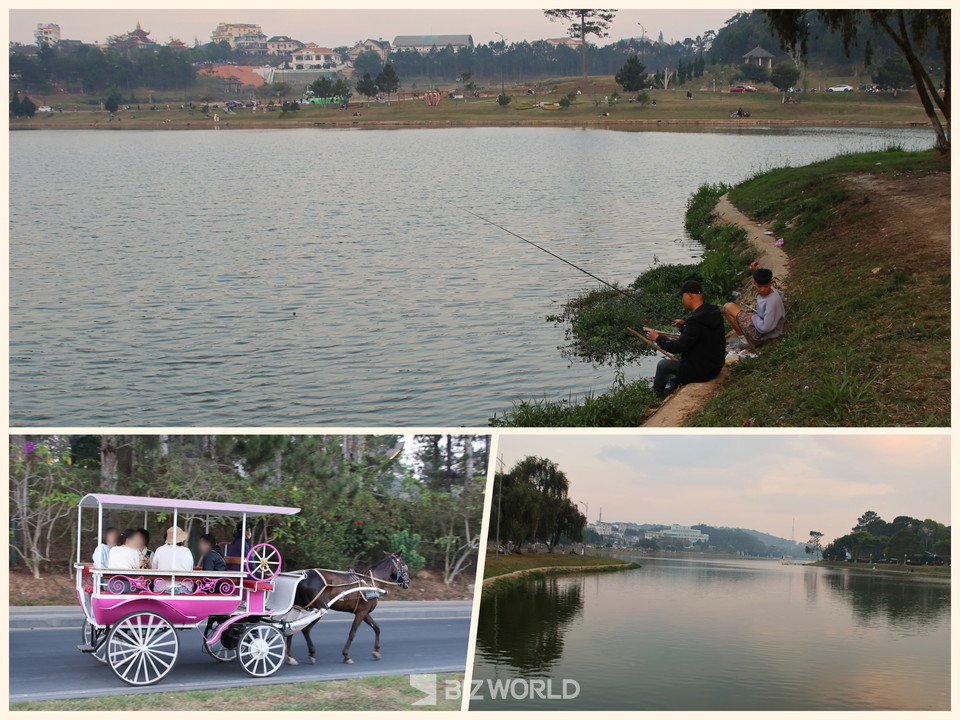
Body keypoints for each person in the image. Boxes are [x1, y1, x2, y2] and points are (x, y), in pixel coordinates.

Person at [646, 280, 726, 399]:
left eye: (682, 296)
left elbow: (676, 348)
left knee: (663, 365)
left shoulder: (695, 321)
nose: (682, 300)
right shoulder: (712, 311)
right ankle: (672, 385)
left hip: (703, 372)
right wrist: (684, 325)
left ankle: (657, 396)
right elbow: (701, 332)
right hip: (716, 366)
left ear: (689, 295)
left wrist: (657, 338)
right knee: (678, 365)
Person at [723, 268, 786, 349]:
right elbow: (782, 296)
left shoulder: (772, 301)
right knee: (729, 307)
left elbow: (765, 328)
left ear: (771, 283)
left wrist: (753, 317)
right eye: (759, 286)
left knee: (728, 307)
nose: (762, 290)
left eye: (765, 286)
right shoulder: (772, 290)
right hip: (765, 328)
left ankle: (745, 342)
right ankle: (744, 339)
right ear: (754, 284)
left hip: (762, 336)